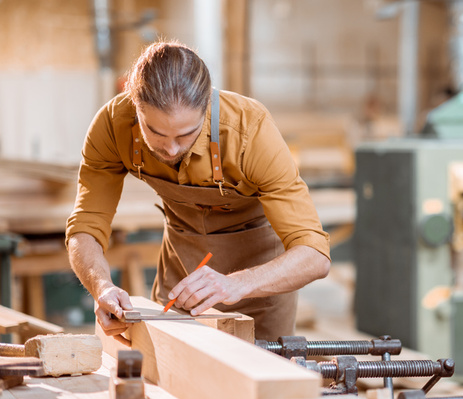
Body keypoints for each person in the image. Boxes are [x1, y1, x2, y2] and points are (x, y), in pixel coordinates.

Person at [66, 41, 331, 343]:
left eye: (186, 134)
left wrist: (237, 283)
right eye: (155, 132)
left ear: (206, 106)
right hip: (179, 282)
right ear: (134, 105)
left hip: (259, 284)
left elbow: (315, 255)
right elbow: (85, 226)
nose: (171, 148)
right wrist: (102, 288)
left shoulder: (251, 131)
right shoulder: (112, 126)